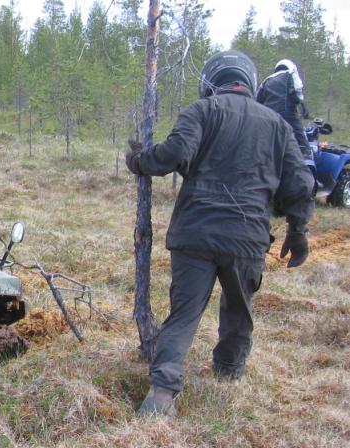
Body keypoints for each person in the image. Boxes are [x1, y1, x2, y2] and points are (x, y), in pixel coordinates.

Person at [125, 50, 314, 417]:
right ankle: (228, 375)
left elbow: (173, 154)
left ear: (210, 81)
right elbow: (300, 183)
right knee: (239, 312)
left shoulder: (203, 111)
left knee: (184, 314)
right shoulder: (277, 125)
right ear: (250, 82)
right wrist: (298, 230)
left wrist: (139, 161)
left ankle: (162, 392)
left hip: (195, 236)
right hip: (247, 240)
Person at [257, 59, 313, 159]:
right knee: (300, 135)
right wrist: (300, 105)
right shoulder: (290, 74)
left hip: (268, 116)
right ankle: (307, 156)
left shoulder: (266, 80)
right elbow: (297, 90)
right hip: (287, 112)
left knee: (265, 141)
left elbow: (257, 100)